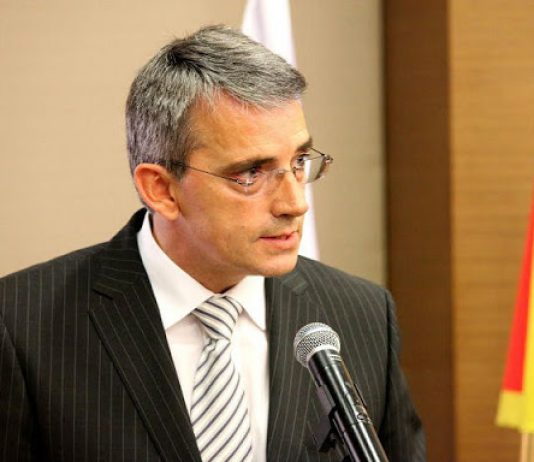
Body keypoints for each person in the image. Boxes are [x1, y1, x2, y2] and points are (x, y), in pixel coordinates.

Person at [0, 25, 425, 461]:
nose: (295, 203)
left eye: (299, 161)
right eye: (250, 174)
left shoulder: (362, 315)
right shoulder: (20, 327)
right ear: (161, 189)